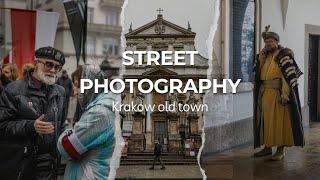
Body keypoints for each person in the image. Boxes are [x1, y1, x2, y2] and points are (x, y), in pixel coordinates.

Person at [0, 46, 66, 179]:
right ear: (36, 63)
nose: (53, 70)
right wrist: (31, 126)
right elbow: (2, 126)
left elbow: (61, 124)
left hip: (50, 164)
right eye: (48, 64)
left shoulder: (60, 92)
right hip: (21, 163)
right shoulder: (13, 90)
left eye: (57, 67)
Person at [57, 64, 117, 179]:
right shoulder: (99, 107)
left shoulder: (99, 113)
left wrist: (66, 131)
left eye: (78, 86)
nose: (75, 91)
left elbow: (68, 147)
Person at [253, 26, 304, 160]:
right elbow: (258, 72)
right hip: (265, 94)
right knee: (266, 122)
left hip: (278, 94)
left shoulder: (284, 55)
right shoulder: (265, 55)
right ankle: (267, 148)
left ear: (276, 41)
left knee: (279, 123)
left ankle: (280, 150)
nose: (268, 43)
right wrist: (261, 58)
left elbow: (287, 77)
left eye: (271, 41)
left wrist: (285, 94)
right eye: (267, 41)